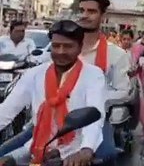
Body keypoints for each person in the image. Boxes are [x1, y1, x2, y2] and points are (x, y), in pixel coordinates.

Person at [0, 20, 107, 165]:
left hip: (74, 151)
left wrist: (86, 149)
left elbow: (95, 117)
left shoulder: (93, 75)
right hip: (37, 146)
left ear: (80, 47)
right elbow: (6, 111)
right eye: (56, 46)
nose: (60, 51)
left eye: (68, 46)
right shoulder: (35, 74)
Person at [77, 0, 132, 159]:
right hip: (55, 116)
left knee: (107, 155)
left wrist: (93, 99)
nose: (85, 15)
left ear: (103, 16)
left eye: (91, 11)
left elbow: (123, 91)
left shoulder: (116, 54)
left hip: (97, 119)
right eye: (82, 10)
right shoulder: (64, 49)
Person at [120, 30, 144, 140]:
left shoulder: (137, 50)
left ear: (132, 40)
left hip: (133, 80)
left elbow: (143, 61)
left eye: (128, 39)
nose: (126, 41)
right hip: (118, 81)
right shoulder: (115, 51)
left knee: (140, 102)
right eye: (124, 39)